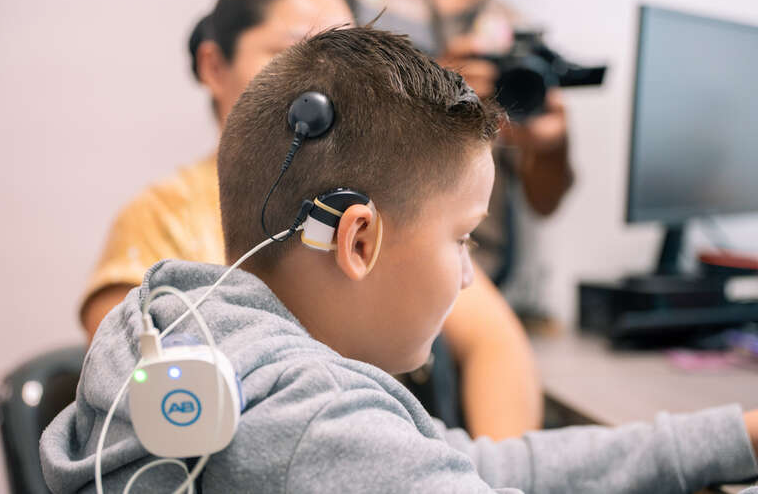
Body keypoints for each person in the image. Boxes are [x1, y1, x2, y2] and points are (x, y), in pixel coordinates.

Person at [41, 26, 758, 493]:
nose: (469, 274)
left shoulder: (202, 340)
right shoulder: (314, 422)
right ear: (358, 240)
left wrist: (737, 436)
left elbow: (474, 464)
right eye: (462, 237)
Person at [80, 0, 541, 439]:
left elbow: (495, 342)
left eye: (344, 55)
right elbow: (141, 397)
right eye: (296, 52)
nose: (328, 77)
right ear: (214, 67)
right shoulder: (159, 216)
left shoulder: (375, 202)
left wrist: (479, 468)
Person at [315, 0, 573, 285]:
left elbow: (545, 203)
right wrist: (435, 92)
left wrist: (552, 148)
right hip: (362, 253)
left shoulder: (516, 34)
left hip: (473, 271)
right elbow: (297, 115)